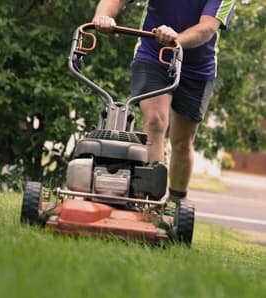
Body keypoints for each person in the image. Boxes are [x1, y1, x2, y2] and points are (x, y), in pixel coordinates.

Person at [92, 0, 235, 203]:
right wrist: (103, 15)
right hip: (153, 55)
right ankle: (150, 199)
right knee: (155, 123)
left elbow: (207, 28)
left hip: (197, 69)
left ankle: (176, 202)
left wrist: (176, 39)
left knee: (182, 142)